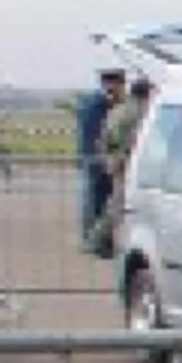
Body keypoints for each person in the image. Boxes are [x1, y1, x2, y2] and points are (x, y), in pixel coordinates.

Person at [90, 77, 153, 258]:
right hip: (129, 160)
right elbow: (136, 138)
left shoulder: (117, 110)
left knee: (116, 201)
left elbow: (104, 137)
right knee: (119, 204)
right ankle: (102, 240)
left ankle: (103, 239)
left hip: (115, 159)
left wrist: (107, 157)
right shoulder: (141, 111)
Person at [75, 69, 126, 252]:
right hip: (96, 158)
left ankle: (97, 239)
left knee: (98, 198)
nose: (122, 89)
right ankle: (92, 240)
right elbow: (95, 135)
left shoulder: (97, 101)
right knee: (95, 199)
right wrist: (103, 158)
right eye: (120, 84)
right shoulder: (97, 104)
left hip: (97, 157)